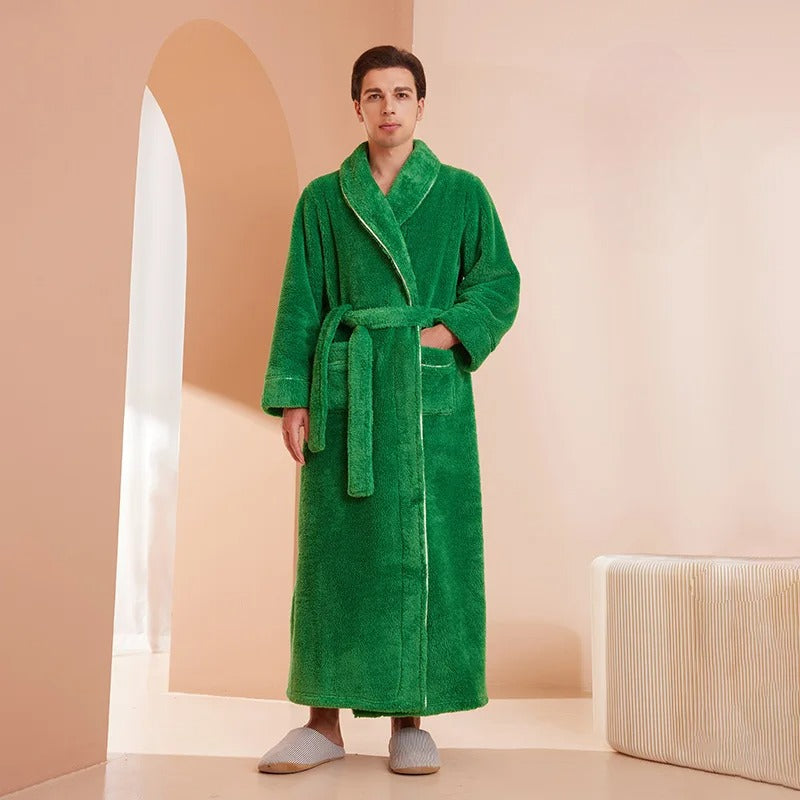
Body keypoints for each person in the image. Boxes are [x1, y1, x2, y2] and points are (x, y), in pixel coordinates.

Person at [257, 44, 520, 776]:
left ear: (421, 105)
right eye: (374, 95)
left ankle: (411, 720)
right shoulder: (323, 199)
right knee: (333, 554)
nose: (389, 108)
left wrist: (444, 335)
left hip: (426, 392)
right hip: (348, 388)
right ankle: (321, 722)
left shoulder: (462, 193)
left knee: (421, 549)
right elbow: (302, 296)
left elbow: (497, 282)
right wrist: (294, 394)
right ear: (357, 107)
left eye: (401, 94)